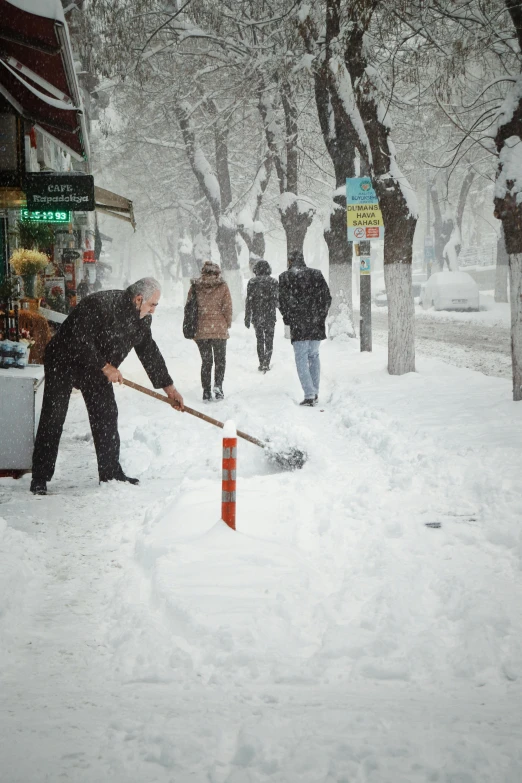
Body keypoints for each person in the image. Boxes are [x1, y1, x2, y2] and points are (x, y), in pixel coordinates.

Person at [30, 277, 184, 495]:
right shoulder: (101, 305)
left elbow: (148, 351)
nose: (153, 311)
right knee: (54, 415)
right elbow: (78, 339)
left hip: (96, 368)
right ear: (138, 299)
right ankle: (40, 477)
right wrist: (105, 366)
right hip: (64, 361)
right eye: (152, 305)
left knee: (106, 414)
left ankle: (111, 473)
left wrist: (170, 388)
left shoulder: (142, 319)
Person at [278, 250, 332, 406]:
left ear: (290, 261)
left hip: (298, 324)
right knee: (314, 356)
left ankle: (309, 394)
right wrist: (320, 315)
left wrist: (289, 318)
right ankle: (315, 391)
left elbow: (282, 301)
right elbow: (326, 297)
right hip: (315, 324)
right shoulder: (316, 274)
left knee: (301, 358)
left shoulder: (285, 277)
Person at [186, 261, 232, 401]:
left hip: (201, 330)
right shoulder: (223, 286)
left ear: (203, 272)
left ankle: (206, 391)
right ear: (217, 273)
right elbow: (227, 308)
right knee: (220, 361)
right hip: (219, 330)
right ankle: (218, 387)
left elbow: (189, 307)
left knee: (206, 361)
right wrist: (227, 324)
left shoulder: (195, 286)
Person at [244, 259, 279, 372]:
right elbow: (276, 300)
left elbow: (248, 301)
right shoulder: (273, 282)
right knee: (269, 340)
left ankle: (261, 362)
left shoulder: (252, 282)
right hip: (270, 315)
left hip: (257, 315)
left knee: (260, 339)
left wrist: (247, 317)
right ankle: (266, 363)